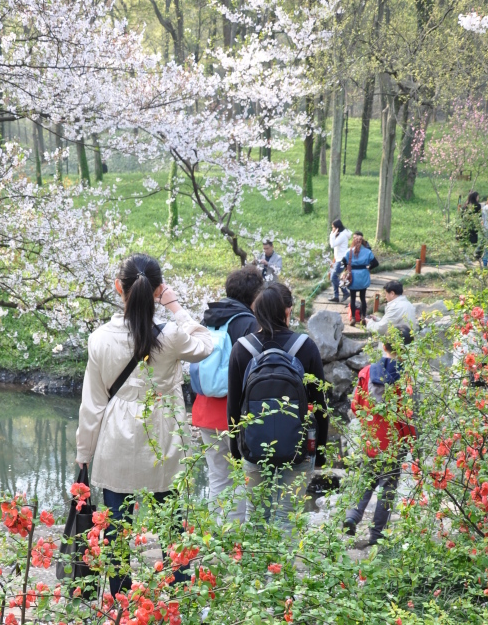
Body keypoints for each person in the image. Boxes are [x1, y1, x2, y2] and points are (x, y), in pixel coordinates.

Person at [75, 253, 213, 595]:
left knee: (116, 524)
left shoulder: (100, 338)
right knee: (172, 521)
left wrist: (84, 453)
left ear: (118, 288)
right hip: (163, 432)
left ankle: (121, 604)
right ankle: (179, 600)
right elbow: (207, 345)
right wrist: (176, 307)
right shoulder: (171, 338)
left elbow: (92, 404)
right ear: (158, 291)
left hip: (116, 435)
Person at [227, 283, 328, 526]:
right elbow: (320, 405)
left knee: (257, 517)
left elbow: (233, 407)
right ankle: (283, 566)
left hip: (253, 449)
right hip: (298, 449)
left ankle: (256, 564)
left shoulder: (242, 349)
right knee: (287, 519)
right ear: (288, 310)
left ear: (256, 312)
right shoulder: (306, 346)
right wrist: (320, 451)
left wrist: (236, 451)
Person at [191, 265, 263, 521]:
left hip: (205, 409)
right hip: (233, 413)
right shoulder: (249, 323)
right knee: (242, 479)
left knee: (218, 477)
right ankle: (234, 546)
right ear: (255, 295)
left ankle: (216, 539)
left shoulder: (210, 317)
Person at [344, 326, 415, 546]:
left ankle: (352, 516)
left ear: (383, 346)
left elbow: (356, 407)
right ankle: (375, 536)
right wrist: (412, 443)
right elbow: (409, 416)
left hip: (371, 440)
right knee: (387, 489)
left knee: (366, 481)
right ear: (406, 350)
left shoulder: (366, 372)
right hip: (394, 444)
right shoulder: (406, 379)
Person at [337, 231, 378, 325]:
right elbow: (376, 263)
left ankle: (353, 319)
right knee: (363, 298)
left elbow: (342, 262)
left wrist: (347, 268)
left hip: (353, 277)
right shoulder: (368, 252)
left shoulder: (349, 252)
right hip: (363, 276)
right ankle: (363, 317)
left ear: (353, 242)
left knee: (353, 298)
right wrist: (369, 267)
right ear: (363, 242)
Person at [328, 219, 352, 302]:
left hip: (341, 260)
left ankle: (345, 292)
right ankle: (336, 296)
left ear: (337, 228)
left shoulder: (342, 235)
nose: (332, 229)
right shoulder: (341, 234)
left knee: (333, 277)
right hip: (338, 259)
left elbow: (332, 245)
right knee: (334, 277)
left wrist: (332, 235)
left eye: (333, 227)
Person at [458, 190, 482, 256]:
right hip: (474, 226)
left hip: (465, 226)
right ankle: (472, 255)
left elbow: (461, 216)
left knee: (466, 242)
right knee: (473, 242)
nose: (478, 198)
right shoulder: (477, 206)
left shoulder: (465, 206)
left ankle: (466, 256)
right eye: (477, 197)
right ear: (475, 197)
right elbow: (479, 216)